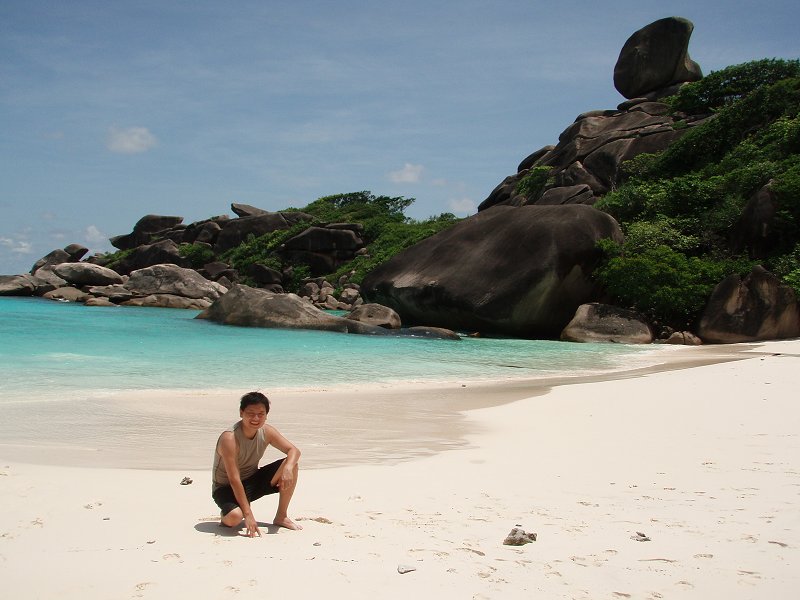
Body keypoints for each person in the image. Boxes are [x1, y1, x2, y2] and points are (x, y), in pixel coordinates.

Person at [212, 391, 302, 536]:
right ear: (241, 413)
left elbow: (294, 450)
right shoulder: (229, 438)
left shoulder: (267, 431)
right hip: (226, 488)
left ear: (266, 415)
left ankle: (281, 516)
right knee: (234, 518)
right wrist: (248, 515)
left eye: (261, 414)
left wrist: (288, 468)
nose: (256, 418)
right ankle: (227, 514)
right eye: (251, 413)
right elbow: (234, 479)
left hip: (251, 481)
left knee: (291, 464)